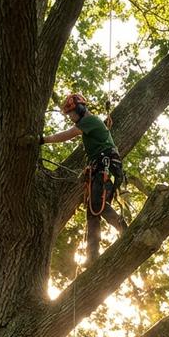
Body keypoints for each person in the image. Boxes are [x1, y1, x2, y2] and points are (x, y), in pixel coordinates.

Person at [40, 93, 126, 262]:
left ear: (80, 109)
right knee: (92, 212)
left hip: (105, 166)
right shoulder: (93, 123)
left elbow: (67, 135)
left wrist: (43, 140)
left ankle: (125, 230)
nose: (71, 117)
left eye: (72, 113)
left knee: (97, 205)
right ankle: (92, 257)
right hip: (99, 167)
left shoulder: (89, 121)